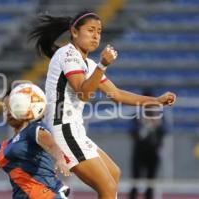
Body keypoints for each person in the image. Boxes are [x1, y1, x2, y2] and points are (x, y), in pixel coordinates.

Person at [29, 10, 176, 199]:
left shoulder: (87, 64)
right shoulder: (68, 55)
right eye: (91, 30)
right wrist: (103, 65)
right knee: (107, 186)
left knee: (113, 175)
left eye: (99, 31)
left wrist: (155, 101)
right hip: (62, 129)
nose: (96, 35)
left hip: (75, 130)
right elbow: (83, 93)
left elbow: (117, 95)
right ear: (74, 32)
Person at [129, 89, 167, 199]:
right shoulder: (137, 116)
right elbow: (132, 132)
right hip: (139, 152)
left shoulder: (159, 116)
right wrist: (144, 128)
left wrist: (157, 126)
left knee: (151, 182)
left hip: (153, 152)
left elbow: (165, 131)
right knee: (135, 181)